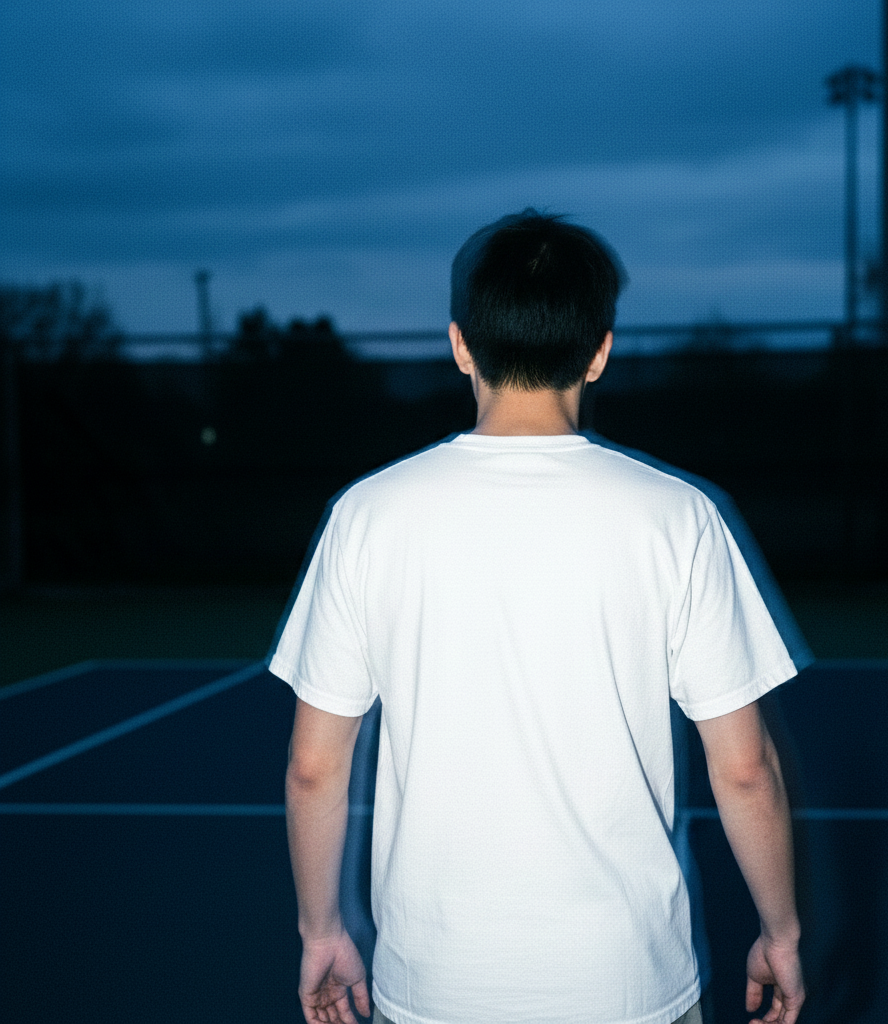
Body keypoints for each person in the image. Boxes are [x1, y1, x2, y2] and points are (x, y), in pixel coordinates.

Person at [270, 210, 806, 1024]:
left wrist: (321, 932)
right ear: (599, 352)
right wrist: (782, 932)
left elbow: (315, 767)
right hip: (630, 987)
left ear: (459, 345)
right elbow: (744, 768)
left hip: (430, 989)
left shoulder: (367, 515)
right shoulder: (679, 516)